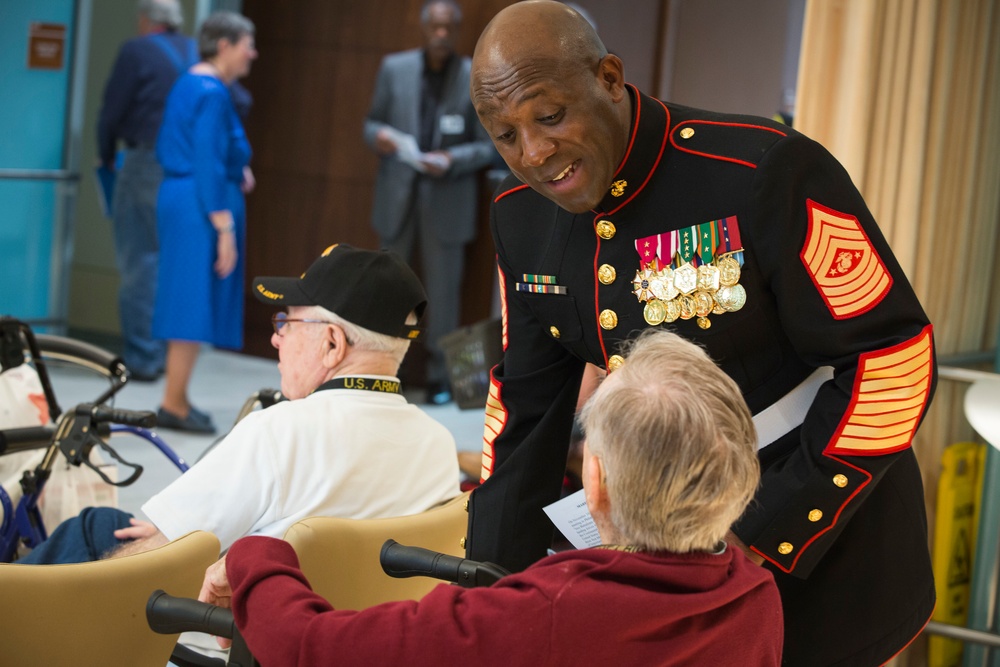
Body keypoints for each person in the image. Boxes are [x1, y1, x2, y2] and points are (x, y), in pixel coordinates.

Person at [464, 3, 936, 666]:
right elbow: (524, 414)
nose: (534, 154)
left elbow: (893, 357)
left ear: (607, 77)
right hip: (666, 570)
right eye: (505, 136)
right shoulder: (521, 221)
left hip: (825, 554)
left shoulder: (761, 170)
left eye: (549, 116)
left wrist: (764, 532)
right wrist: (488, 584)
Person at [200, 329, 784, 666]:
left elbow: (311, 650)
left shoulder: (550, 608)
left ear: (597, 483)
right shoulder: (757, 596)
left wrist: (256, 554)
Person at [17, 244, 461, 564]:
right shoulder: (437, 446)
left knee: (96, 529)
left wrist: (164, 536)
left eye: (286, 322)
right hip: (350, 635)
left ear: (331, 343)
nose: (275, 338)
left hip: (242, 629)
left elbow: (153, 558)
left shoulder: (280, 431)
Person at [363, 0, 496, 404]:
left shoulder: (472, 74)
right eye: (434, 27)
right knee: (391, 288)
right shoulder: (394, 68)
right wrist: (380, 138)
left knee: (443, 292)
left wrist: (453, 160)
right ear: (424, 28)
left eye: (448, 29)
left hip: (448, 196)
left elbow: (489, 144)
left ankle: (441, 379)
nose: (441, 35)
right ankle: (383, 370)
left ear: (457, 31)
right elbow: (371, 124)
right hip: (398, 195)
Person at [152, 11, 257, 433]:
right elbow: (207, 160)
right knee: (190, 302)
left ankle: (175, 397)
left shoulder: (189, 81)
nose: (253, 53)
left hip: (185, 197)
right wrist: (224, 227)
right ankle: (173, 402)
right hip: (199, 204)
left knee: (186, 299)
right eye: (247, 44)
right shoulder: (212, 91)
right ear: (225, 45)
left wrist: (239, 169)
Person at [97, 0, 197, 382]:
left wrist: (106, 155)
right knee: (172, 263)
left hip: (145, 163)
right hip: (186, 171)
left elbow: (111, 111)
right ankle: (169, 357)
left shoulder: (136, 50)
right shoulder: (193, 52)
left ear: (145, 19)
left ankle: (142, 358)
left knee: (140, 260)